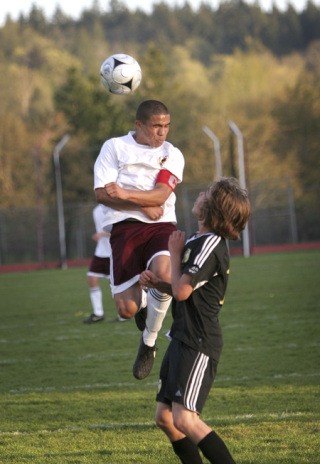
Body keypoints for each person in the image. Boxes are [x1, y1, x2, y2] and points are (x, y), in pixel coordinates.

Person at [139, 177, 251, 464]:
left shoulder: (211, 243)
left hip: (198, 341)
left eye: (207, 193)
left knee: (184, 418)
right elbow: (179, 289)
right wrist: (157, 283)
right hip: (182, 337)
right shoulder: (197, 240)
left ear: (213, 209)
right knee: (165, 417)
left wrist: (174, 254)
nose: (201, 194)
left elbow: (182, 290)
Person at [94, 99, 185, 379]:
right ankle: (144, 306)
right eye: (156, 126)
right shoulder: (114, 147)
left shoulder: (172, 153)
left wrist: (125, 193)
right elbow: (101, 194)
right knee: (126, 308)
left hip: (162, 225)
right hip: (124, 228)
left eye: (167, 126)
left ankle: (149, 340)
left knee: (165, 276)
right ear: (139, 125)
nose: (162, 132)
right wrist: (140, 206)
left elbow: (161, 196)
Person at [83, 204, 127, 324]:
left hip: (116, 251)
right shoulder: (96, 210)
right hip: (101, 251)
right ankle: (98, 313)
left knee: (117, 283)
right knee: (92, 278)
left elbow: (122, 229)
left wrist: (102, 234)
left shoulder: (117, 208)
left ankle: (124, 314)